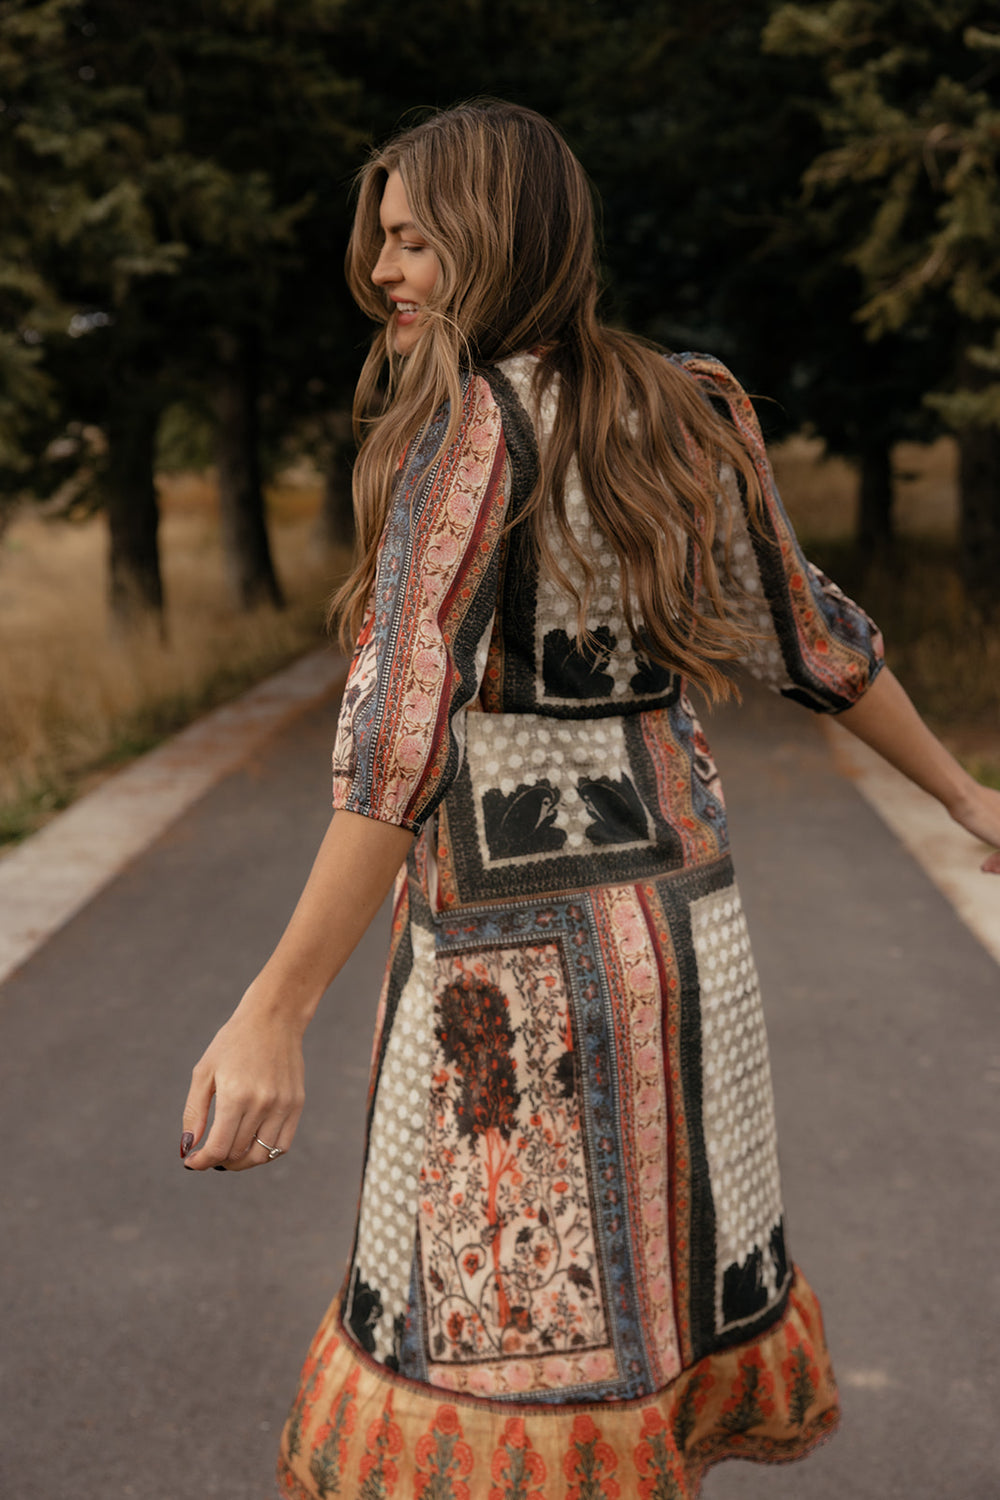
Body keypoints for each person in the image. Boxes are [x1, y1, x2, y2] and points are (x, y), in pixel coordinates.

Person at [180, 101, 1000, 1498]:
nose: (383, 270)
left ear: (495, 236)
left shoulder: (468, 431)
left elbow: (397, 745)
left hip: (512, 979)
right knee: (647, 1331)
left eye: (413, 240)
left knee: (506, 1374)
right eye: (382, 241)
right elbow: (812, 640)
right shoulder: (685, 403)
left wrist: (275, 1008)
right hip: (687, 945)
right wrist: (969, 796)